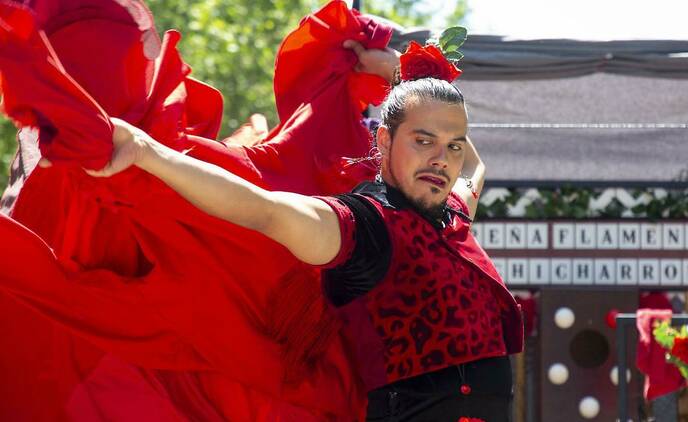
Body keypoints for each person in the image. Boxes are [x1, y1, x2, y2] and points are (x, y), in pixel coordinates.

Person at [84, 41, 524, 421]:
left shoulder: (454, 213)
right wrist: (148, 152)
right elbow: (264, 210)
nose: (441, 159)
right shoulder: (363, 226)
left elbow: (473, 164)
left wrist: (402, 72)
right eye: (423, 140)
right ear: (385, 143)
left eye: (451, 145)